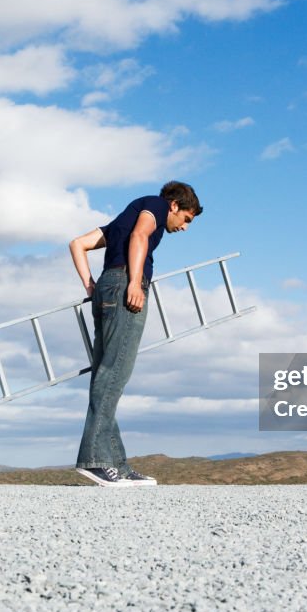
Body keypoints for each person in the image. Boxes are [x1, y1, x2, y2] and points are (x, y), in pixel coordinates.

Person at [69, 181, 202, 487]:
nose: (184, 227)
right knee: (114, 375)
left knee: (105, 376)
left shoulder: (119, 223)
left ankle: (117, 464)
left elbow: (77, 243)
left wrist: (90, 285)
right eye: (186, 219)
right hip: (125, 285)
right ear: (174, 205)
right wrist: (134, 281)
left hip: (105, 288)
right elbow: (141, 235)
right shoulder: (153, 206)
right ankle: (95, 461)